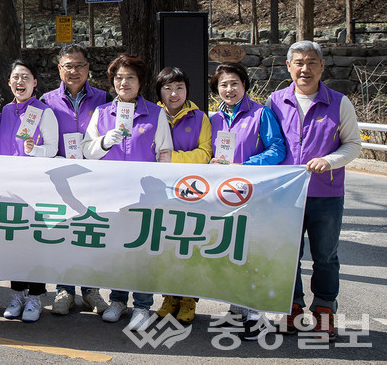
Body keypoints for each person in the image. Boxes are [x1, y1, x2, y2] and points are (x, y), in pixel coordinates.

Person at [267, 41, 361, 340]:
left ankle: (324, 310)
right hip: (286, 194)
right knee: (288, 254)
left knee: (325, 256)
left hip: (326, 193)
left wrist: (330, 160)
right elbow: (268, 144)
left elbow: (353, 144)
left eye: (311, 62)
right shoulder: (275, 101)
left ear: (322, 66)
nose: (304, 68)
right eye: (298, 62)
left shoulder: (338, 102)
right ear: (289, 67)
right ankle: (291, 307)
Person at [82, 53, 172, 331]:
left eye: (130, 77)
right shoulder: (102, 113)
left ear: (140, 82)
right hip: (110, 194)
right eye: (119, 77)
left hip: (145, 195)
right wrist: (105, 142)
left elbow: (165, 153)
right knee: (117, 250)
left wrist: (159, 188)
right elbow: (87, 151)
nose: (124, 82)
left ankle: (143, 306)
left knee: (141, 251)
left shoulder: (155, 114)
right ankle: (118, 299)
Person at [208, 61, 287, 338]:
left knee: (251, 250)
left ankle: (255, 312)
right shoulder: (213, 119)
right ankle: (236, 307)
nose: (229, 89)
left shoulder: (260, 114)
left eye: (234, 83)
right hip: (223, 196)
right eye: (223, 85)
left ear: (244, 85)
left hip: (254, 194)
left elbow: (277, 148)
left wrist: (247, 165)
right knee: (230, 250)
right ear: (216, 89)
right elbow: (207, 153)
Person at [40, 45, 109, 316]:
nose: (74, 71)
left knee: (91, 232)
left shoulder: (104, 98)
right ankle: (64, 290)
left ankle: (91, 290)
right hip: (60, 177)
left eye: (79, 65)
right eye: (68, 66)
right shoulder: (46, 100)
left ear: (88, 68)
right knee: (63, 233)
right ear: (59, 69)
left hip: (93, 176)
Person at [0, 59, 58, 323]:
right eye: (15, 77)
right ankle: (17, 294)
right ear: (9, 82)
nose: (20, 82)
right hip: (10, 187)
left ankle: (35, 296)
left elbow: (54, 149)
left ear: (35, 82)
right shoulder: (6, 111)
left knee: (33, 240)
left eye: (26, 77)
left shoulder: (44, 112)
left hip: (36, 187)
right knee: (13, 241)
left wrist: (36, 149)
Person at [153, 66, 213, 324]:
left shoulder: (200, 118)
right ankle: (169, 296)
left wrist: (174, 158)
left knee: (188, 244)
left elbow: (206, 153)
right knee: (165, 245)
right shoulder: (152, 115)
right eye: (167, 88)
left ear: (187, 90)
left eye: (179, 88)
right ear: (160, 92)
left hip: (192, 192)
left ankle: (188, 298)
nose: (173, 94)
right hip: (160, 192)